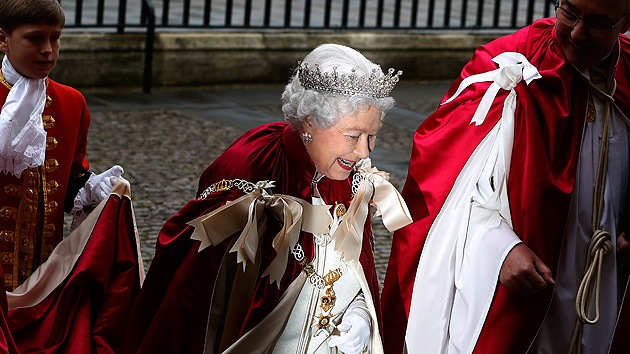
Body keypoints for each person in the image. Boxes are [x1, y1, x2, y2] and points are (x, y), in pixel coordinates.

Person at [124, 43, 411, 354]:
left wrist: (360, 316)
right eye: (354, 136)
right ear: (311, 123)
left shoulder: (348, 176)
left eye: (373, 136)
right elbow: (200, 288)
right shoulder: (253, 163)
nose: (364, 151)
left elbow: (355, 271)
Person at [381, 0, 630, 353]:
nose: (577, 32)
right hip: (522, 292)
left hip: (606, 284)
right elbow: (448, 184)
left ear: (625, 22)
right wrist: (500, 247)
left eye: (598, 23)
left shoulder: (627, 74)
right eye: (570, 13)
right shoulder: (510, 64)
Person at [0, 0, 143, 351]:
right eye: (35, 39)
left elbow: (70, 182)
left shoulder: (72, 102)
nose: (48, 50)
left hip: (42, 278)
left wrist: (96, 190)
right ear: (3, 39)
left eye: (56, 38)